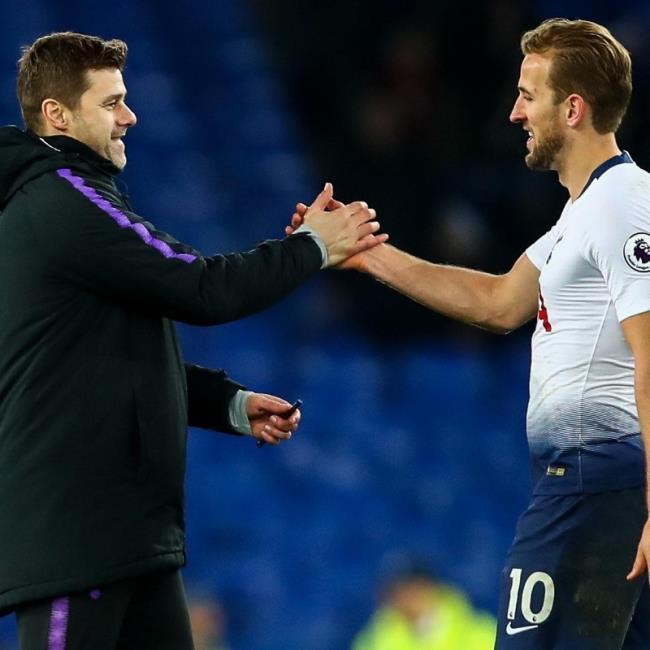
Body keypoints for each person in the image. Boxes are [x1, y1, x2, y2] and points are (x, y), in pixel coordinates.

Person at [0, 32, 385, 650]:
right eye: (112, 103)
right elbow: (201, 288)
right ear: (57, 115)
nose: (131, 116)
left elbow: (108, 362)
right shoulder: (63, 199)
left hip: (129, 541)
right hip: (75, 541)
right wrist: (312, 246)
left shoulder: (69, 202)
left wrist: (226, 404)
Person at [290, 17, 650, 649]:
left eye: (527, 95)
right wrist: (366, 253)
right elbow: (498, 302)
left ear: (572, 108)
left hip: (597, 484)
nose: (514, 113)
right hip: (596, 486)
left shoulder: (623, 205)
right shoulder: (583, 212)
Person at [352, 562, 495, 650]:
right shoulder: (374, 640)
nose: (407, 598)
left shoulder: (483, 632)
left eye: (411, 588)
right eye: (398, 591)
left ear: (429, 586)